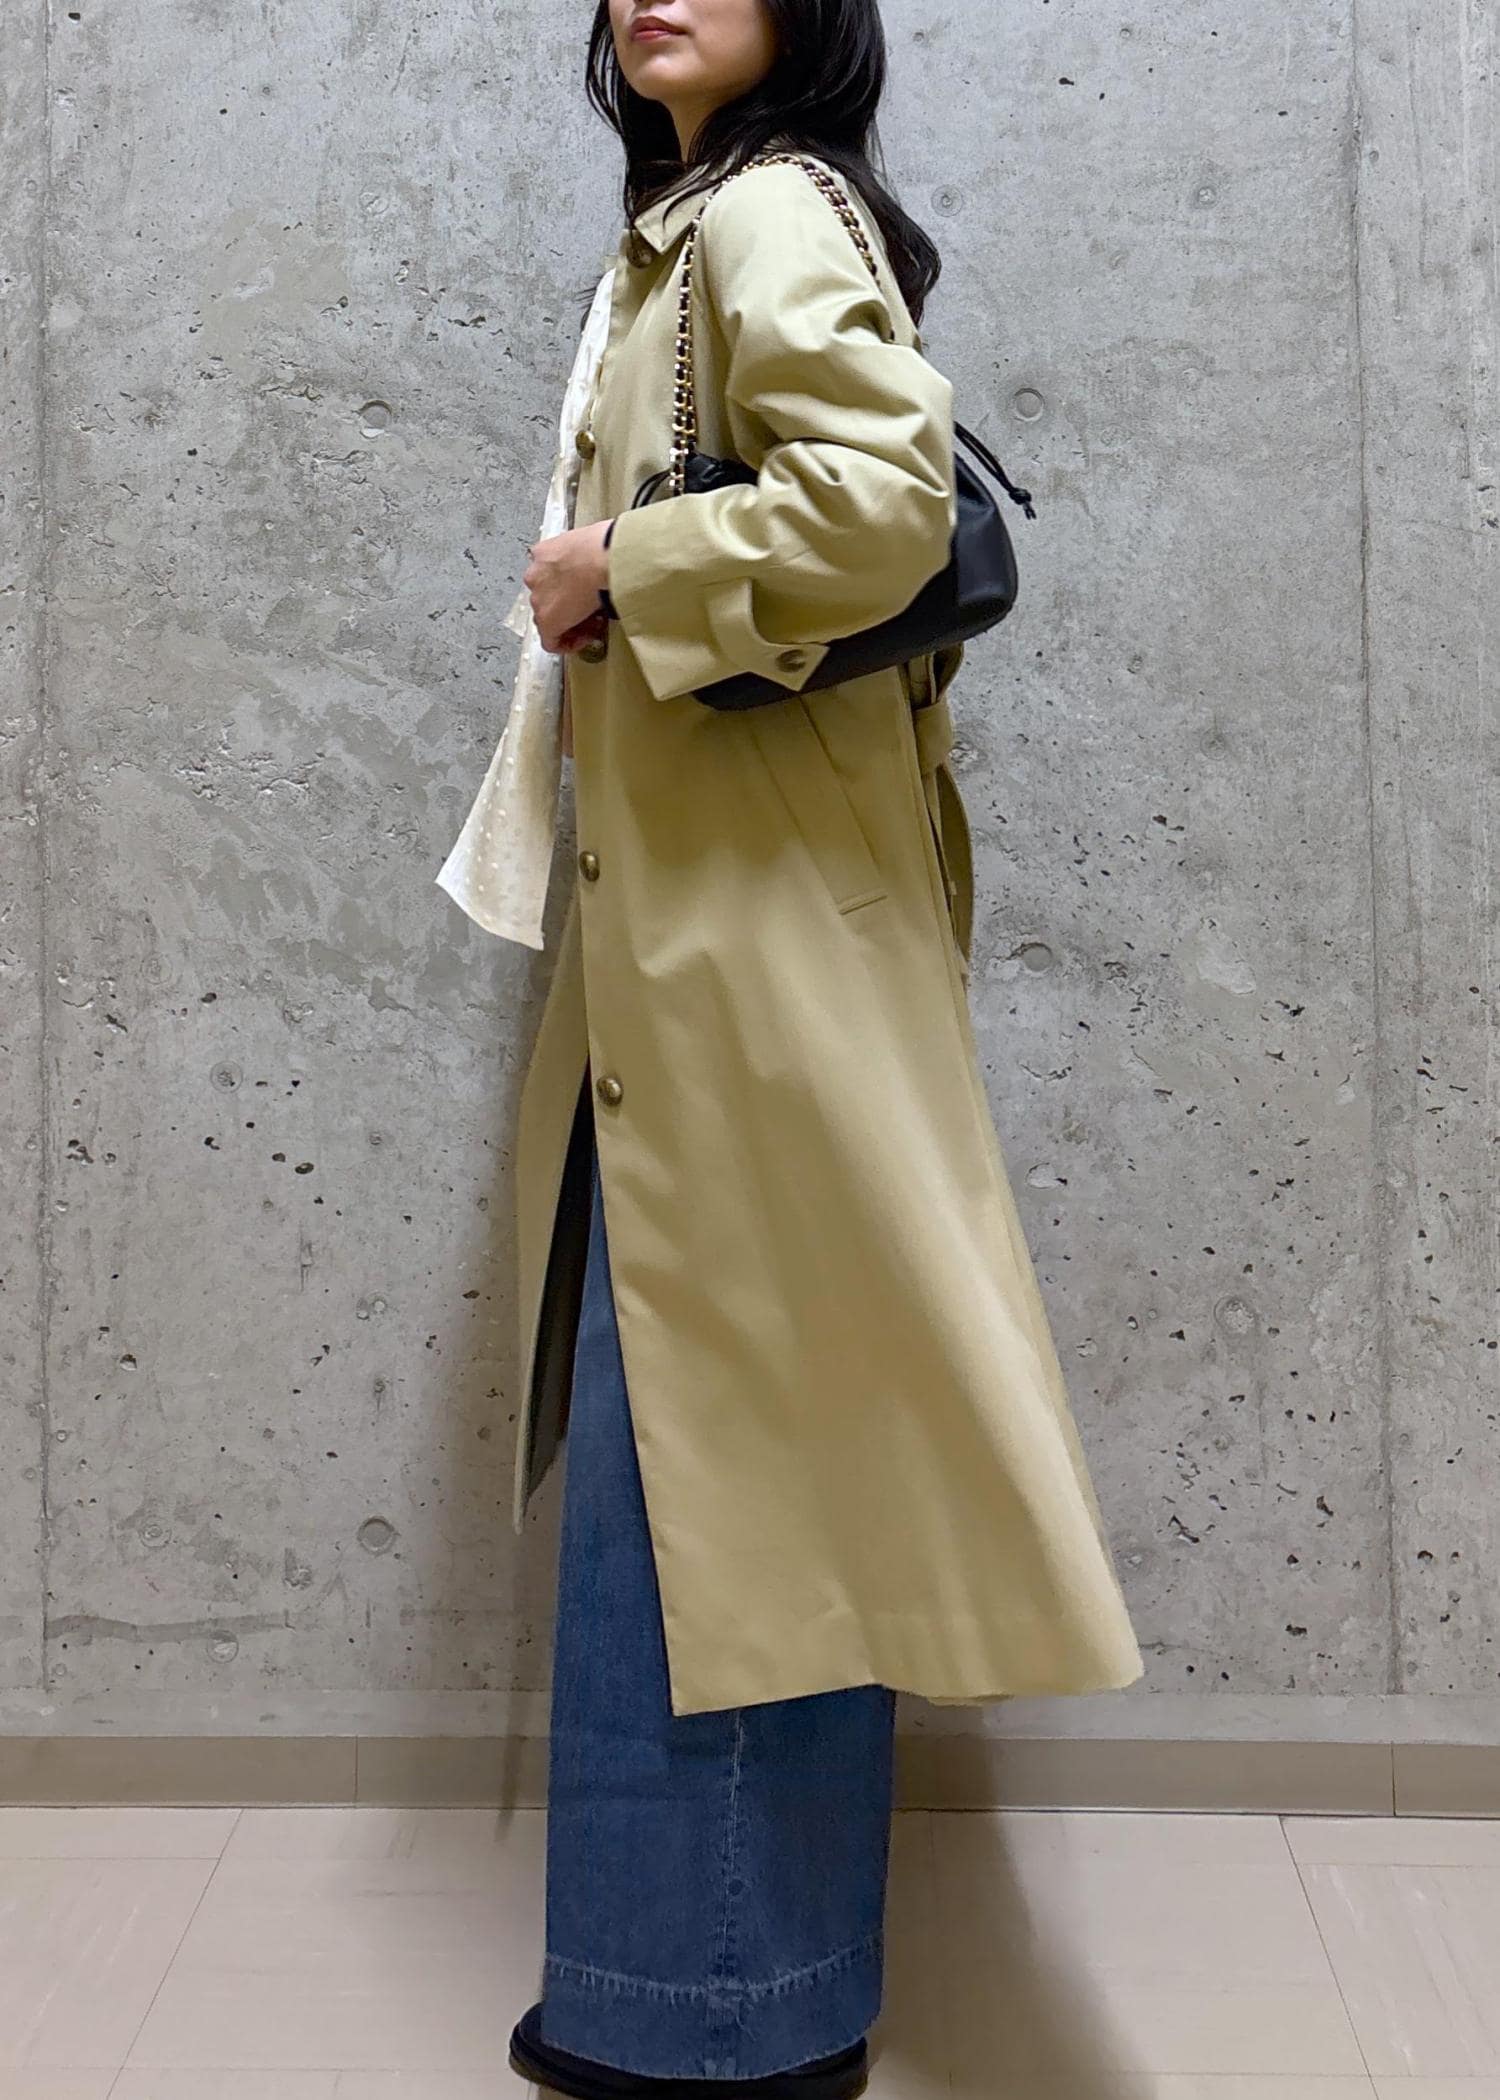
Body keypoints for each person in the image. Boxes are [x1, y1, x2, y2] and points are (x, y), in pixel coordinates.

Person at [507, 4, 1146, 2094]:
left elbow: (878, 509)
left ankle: (719, 2023)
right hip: (721, 955)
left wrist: (622, 563)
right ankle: (708, 1993)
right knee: (725, 1464)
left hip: (749, 967)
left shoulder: (764, 212)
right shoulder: (695, 228)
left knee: (725, 1481)